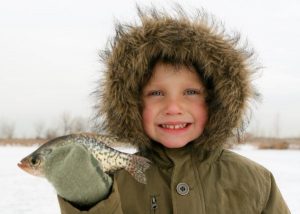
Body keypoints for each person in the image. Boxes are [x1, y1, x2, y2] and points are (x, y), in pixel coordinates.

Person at [54, 6, 290, 213]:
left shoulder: (256, 181)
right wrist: (90, 203)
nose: (174, 108)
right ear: (132, 105)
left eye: (190, 92)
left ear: (216, 101)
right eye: (156, 93)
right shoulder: (113, 184)